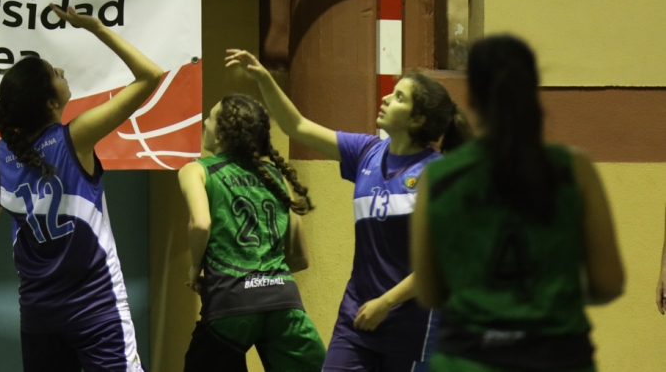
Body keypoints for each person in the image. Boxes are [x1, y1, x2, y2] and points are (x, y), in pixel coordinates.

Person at [225, 49, 470, 372]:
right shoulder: (366, 152)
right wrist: (264, 78)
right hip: (358, 313)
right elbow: (297, 126)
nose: (386, 98)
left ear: (417, 120)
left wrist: (386, 303)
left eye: (399, 97)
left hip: (411, 324)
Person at [412, 34, 625, 372]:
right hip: (558, 358)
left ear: (471, 98)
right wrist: (549, 301)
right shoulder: (574, 170)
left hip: (466, 359)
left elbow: (429, 292)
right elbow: (608, 282)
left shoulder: (439, 178)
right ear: (532, 90)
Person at [0, 4, 164, 372]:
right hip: (96, 308)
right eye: (54, 73)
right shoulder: (75, 137)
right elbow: (151, 76)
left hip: (39, 316)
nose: (62, 72)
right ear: (51, 102)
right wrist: (96, 28)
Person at [179, 93, 326, 372]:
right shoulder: (275, 176)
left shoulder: (197, 170)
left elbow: (201, 224)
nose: (204, 123)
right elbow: (300, 258)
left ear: (221, 133)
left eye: (210, 118)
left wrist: (195, 268)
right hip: (283, 299)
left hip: (230, 302)